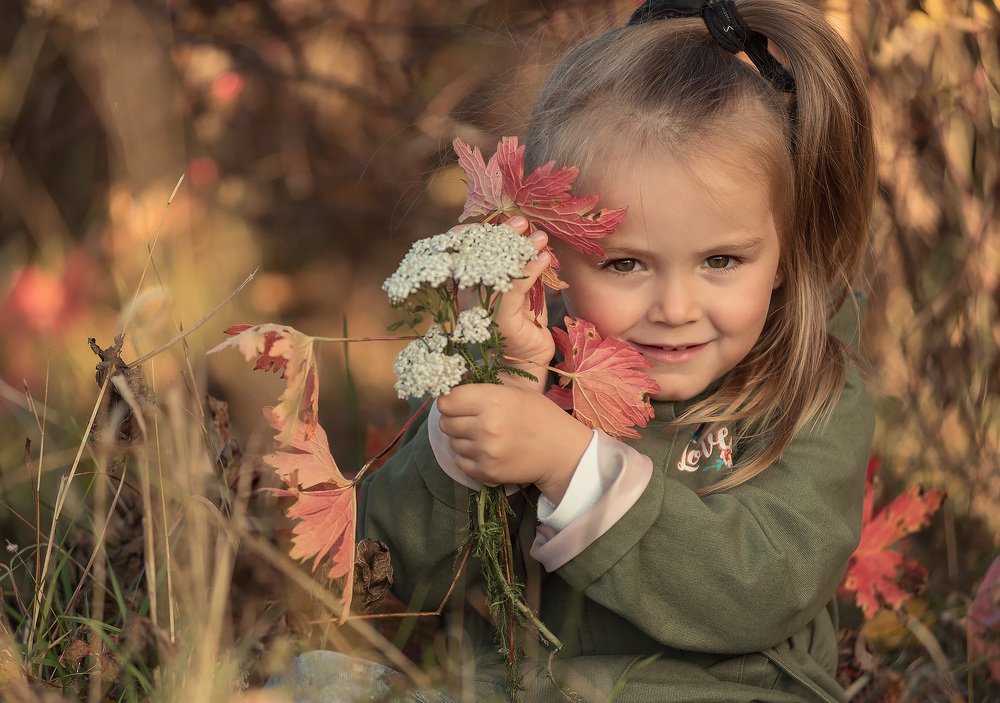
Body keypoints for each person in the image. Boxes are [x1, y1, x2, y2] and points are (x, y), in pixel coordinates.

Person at [357, 1, 877, 700]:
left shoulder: (810, 389)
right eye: (626, 264)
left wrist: (570, 467)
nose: (676, 308)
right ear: (550, 255)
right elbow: (390, 572)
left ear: (785, 253)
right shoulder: (524, 358)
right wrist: (475, 427)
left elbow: (763, 586)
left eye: (721, 259)